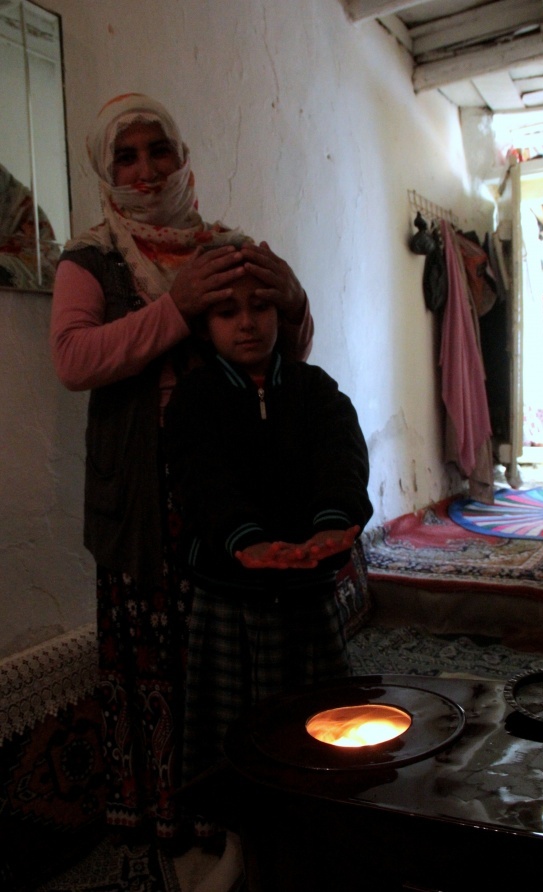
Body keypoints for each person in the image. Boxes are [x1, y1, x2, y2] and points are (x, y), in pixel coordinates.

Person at [49, 93, 314, 849]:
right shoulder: (91, 256)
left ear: (181, 154)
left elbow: (283, 346)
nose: (144, 169)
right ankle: (168, 811)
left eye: (157, 149)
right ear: (106, 168)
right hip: (143, 494)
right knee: (159, 658)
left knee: (236, 643)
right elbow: (73, 360)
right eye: (125, 155)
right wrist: (176, 308)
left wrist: (293, 297)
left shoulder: (225, 244)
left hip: (233, 477)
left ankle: (253, 796)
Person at [164, 243, 373, 795]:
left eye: (260, 307)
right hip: (227, 594)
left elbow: (343, 459)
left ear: (282, 313)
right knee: (231, 730)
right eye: (227, 312)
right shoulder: (194, 400)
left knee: (321, 722)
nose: (247, 323)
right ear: (204, 325)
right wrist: (245, 539)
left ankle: (321, 809)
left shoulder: (316, 391)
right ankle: (236, 836)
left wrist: (333, 522)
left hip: (308, 589)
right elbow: (202, 480)